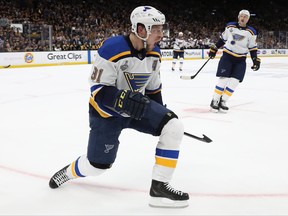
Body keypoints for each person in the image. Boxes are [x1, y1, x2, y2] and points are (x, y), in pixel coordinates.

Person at [48, 6, 189, 208]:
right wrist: (122, 99)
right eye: (156, 29)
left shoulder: (155, 54)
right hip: (106, 114)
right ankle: (68, 172)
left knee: (173, 126)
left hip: (137, 109)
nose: (161, 34)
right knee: (97, 166)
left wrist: (161, 115)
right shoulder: (112, 49)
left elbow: (152, 90)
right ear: (141, 29)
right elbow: (98, 90)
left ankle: (159, 189)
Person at [208, 9, 261, 112]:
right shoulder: (230, 26)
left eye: (246, 16)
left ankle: (223, 101)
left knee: (234, 82)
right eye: (242, 15)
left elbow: (252, 47)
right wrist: (215, 48)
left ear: (248, 19)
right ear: (238, 17)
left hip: (240, 60)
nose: (243, 17)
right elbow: (223, 39)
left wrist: (255, 60)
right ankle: (215, 100)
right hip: (227, 57)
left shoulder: (251, 32)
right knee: (223, 79)